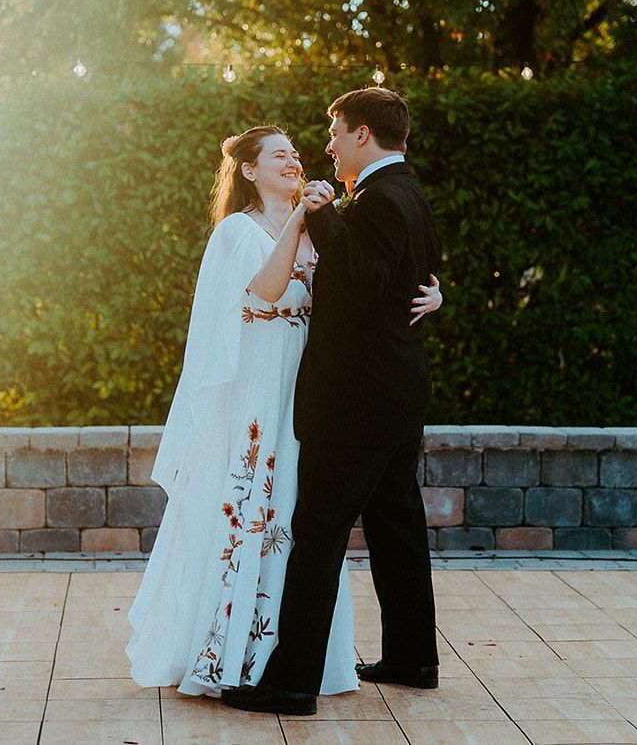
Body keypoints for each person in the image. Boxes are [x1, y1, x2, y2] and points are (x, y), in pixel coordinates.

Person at [125, 125, 441, 697]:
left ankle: (292, 655)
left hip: (308, 381)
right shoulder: (237, 232)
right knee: (251, 502)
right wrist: (301, 222)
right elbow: (267, 291)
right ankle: (231, 650)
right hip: (256, 384)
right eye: (280, 155)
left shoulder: (325, 226)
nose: (295, 161)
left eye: (296, 153)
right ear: (249, 170)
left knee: (297, 513)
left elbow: (361, 288)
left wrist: (432, 295)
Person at [224, 87, 444, 717]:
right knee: (396, 526)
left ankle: (290, 683)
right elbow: (413, 276)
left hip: (356, 403)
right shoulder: (408, 193)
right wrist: (436, 294)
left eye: (336, 133)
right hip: (396, 397)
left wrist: (322, 219)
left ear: (363, 135)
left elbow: (363, 287)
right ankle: (411, 657)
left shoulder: (375, 201)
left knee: (317, 533)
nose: (328, 146)